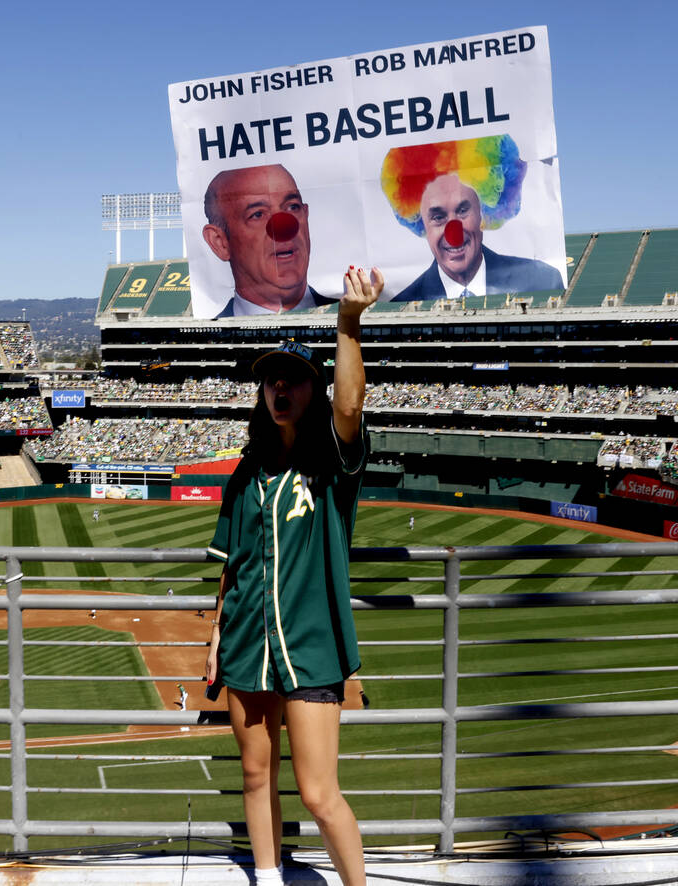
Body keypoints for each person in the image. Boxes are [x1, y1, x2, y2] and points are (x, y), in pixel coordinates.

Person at [205, 266, 381, 885]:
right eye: (271, 382)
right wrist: (216, 640)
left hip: (310, 648)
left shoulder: (332, 462)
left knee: (317, 792)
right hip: (248, 645)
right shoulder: (246, 474)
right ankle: (268, 876)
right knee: (256, 775)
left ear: (314, 390)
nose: (281, 389)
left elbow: (352, 405)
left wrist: (349, 324)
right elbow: (233, 568)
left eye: (295, 381)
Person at [381, 136, 563, 303]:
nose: (454, 232)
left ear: (483, 211)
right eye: (438, 217)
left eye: (462, 210)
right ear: (421, 223)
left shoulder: (542, 282)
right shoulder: (403, 302)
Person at [202, 164, 337, 317]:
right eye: (258, 214)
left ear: (306, 215)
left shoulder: (347, 315)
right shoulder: (212, 335)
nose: (284, 227)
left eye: (293, 207)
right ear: (220, 242)